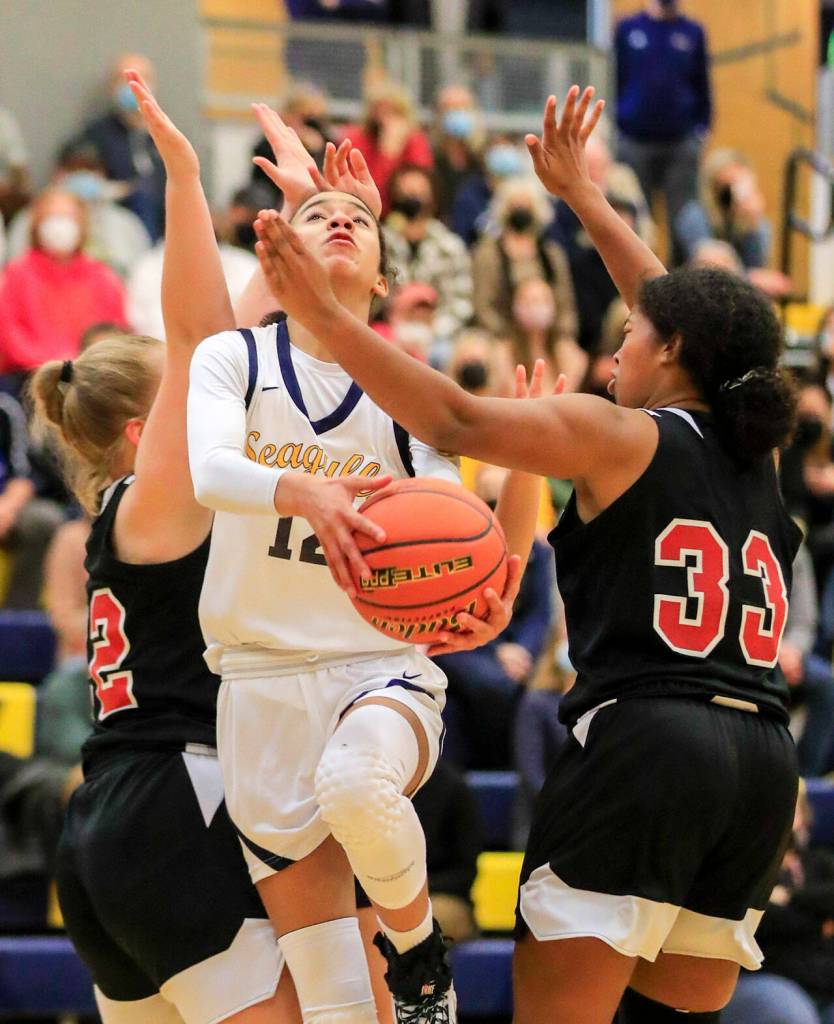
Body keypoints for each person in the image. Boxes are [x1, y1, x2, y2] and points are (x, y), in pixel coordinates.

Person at [253, 85, 802, 1023]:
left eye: (632, 333)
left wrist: (335, 323)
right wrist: (585, 199)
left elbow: (457, 417)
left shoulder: (615, 434)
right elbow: (691, 324)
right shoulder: (761, 451)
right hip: (760, 763)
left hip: (647, 741)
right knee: (671, 1000)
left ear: (669, 351)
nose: (616, 345)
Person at [29, 70, 367, 1024]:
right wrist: (184, 179)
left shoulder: (136, 509)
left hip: (112, 820)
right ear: (148, 429)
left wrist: (296, 214)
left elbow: (236, 336)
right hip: (179, 799)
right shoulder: (163, 491)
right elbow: (203, 338)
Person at [190, 103, 538, 1024]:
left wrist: (485, 595)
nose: (341, 219)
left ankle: (420, 951)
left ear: (386, 277)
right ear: (278, 257)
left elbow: (462, 534)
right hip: (257, 683)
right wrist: (304, 491)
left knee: (356, 781)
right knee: (339, 1005)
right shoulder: (234, 359)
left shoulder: (403, 386)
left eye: (362, 220)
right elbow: (211, 469)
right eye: (318, 215)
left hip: (375, 669)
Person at [615, 0, 712, 259]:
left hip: (680, 142)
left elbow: (702, 84)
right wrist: (619, 126)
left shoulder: (693, 32)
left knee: (684, 219)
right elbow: (616, 77)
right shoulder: (628, 29)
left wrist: (701, 131)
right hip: (635, 141)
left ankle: (679, 288)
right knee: (635, 220)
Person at [0, 188, 128, 382]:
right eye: (51, 217)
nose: (59, 226)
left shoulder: (102, 277)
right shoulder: (15, 275)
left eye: (67, 218)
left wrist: (83, 365)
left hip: (90, 378)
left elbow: (113, 332)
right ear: (36, 224)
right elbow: (10, 336)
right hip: (29, 378)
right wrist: (52, 366)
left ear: (82, 224)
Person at [5, 138, 152, 278]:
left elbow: (142, 275)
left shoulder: (125, 223)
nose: (82, 175)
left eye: (89, 169)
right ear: (59, 174)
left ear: (102, 174)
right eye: (74, 169)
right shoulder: (30, 218)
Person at [383, 164, 473, 352]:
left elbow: (461, 302)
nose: (413, 198)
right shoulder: (380, 242)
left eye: (419, 192)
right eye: (406, 192)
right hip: (387, 332)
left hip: (438, 337)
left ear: (432, 199)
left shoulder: (450, 246)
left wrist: (433, 331)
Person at [78, 53, 166, 241]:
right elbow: (79, 179)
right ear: (111, 87)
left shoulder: (167, 133)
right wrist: (124, 189)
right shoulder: (96, 135)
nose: (132, 86)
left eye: (141, 78)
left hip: (168, 222)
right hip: (116, 223)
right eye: (124, 79)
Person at [0, 389, 63, 608]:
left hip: (5, 507)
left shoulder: (5, 409)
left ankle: (18, 618)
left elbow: (23, 476)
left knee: (44, 519)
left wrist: (6, 508)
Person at [340, 80, 433, 215]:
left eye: (393, 112)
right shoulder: (356, 139)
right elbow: (364, 193)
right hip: (365, 213)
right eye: (381, 111)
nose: (386, 119)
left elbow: (421, 191)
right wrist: (387, 154)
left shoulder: (415, 140)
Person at [431, 86, 483, 224]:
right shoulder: (429, 155)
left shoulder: (482, 156)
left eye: (462, 109)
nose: (456, 114)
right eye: (449, 109)